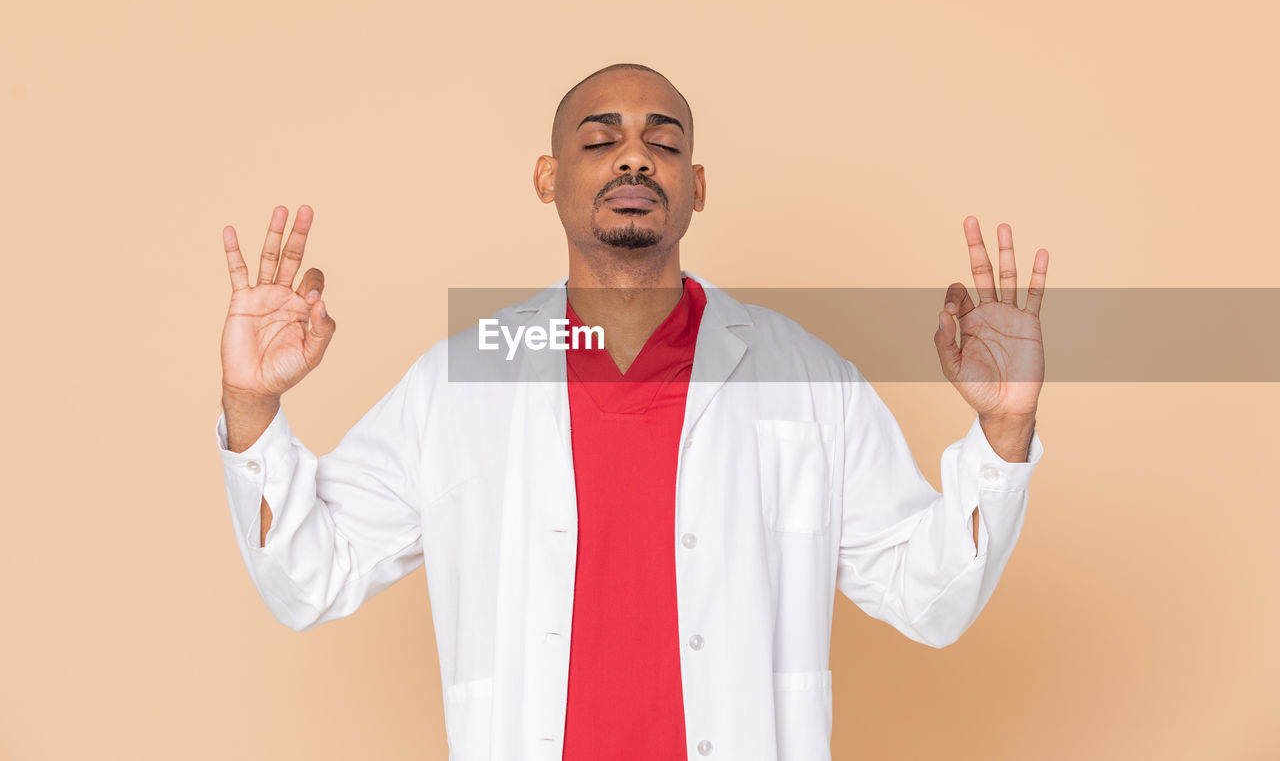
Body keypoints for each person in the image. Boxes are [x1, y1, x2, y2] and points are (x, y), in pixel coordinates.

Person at [216, 63, 1048, 761]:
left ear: (697, 186)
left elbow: (927, 596)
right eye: (600, 139)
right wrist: (252, 405)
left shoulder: (804, 380)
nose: (635, 161)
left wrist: (1002, 432)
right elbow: (309, 577)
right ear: (548, 178)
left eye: (664, 143)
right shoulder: (457, 383)